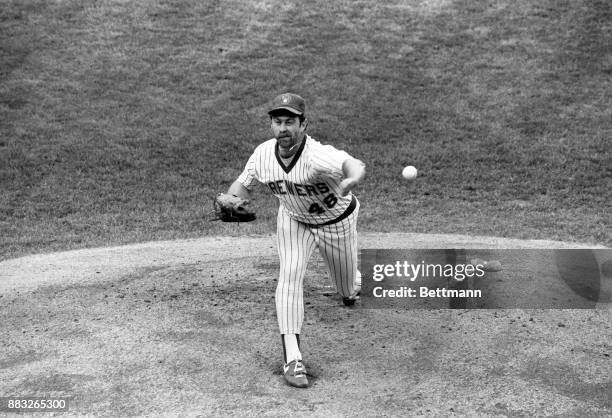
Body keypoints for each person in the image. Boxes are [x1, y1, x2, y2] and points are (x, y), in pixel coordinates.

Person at [225, 92, 366, 388]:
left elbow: (353, 164)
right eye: (278, 122)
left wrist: (351, 180)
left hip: (336, 222)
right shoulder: (263, 154)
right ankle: (293, 358)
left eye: (290, 122)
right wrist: (231, 199)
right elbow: (243, 186)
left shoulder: (316, 156)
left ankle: (353, 281)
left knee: (348, 289)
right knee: (289, 276)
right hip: (293, 220)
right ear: (271, 125)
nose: (283, 128)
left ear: (303, 124)